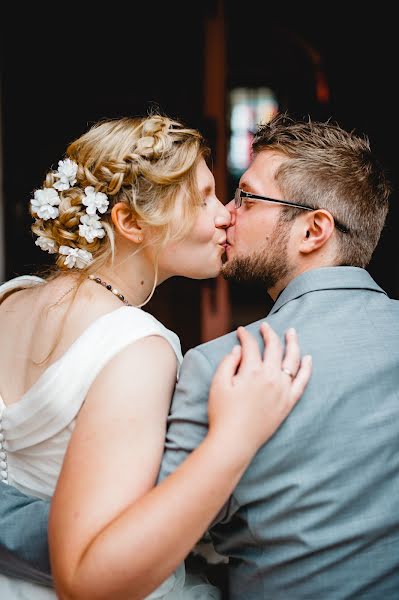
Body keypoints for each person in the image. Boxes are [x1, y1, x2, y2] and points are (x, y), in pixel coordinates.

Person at [0, 113, 312, 599]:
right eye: (204, 198)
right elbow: (92, 579)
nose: (226, 213)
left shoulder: (10, 300)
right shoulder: (135, 346)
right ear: (129, 223)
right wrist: (238, 436)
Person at [158, 113, 399, 598]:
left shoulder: (227, 363)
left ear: (313, 231)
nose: (227, 211)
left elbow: (151, 542)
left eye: (246, 197)